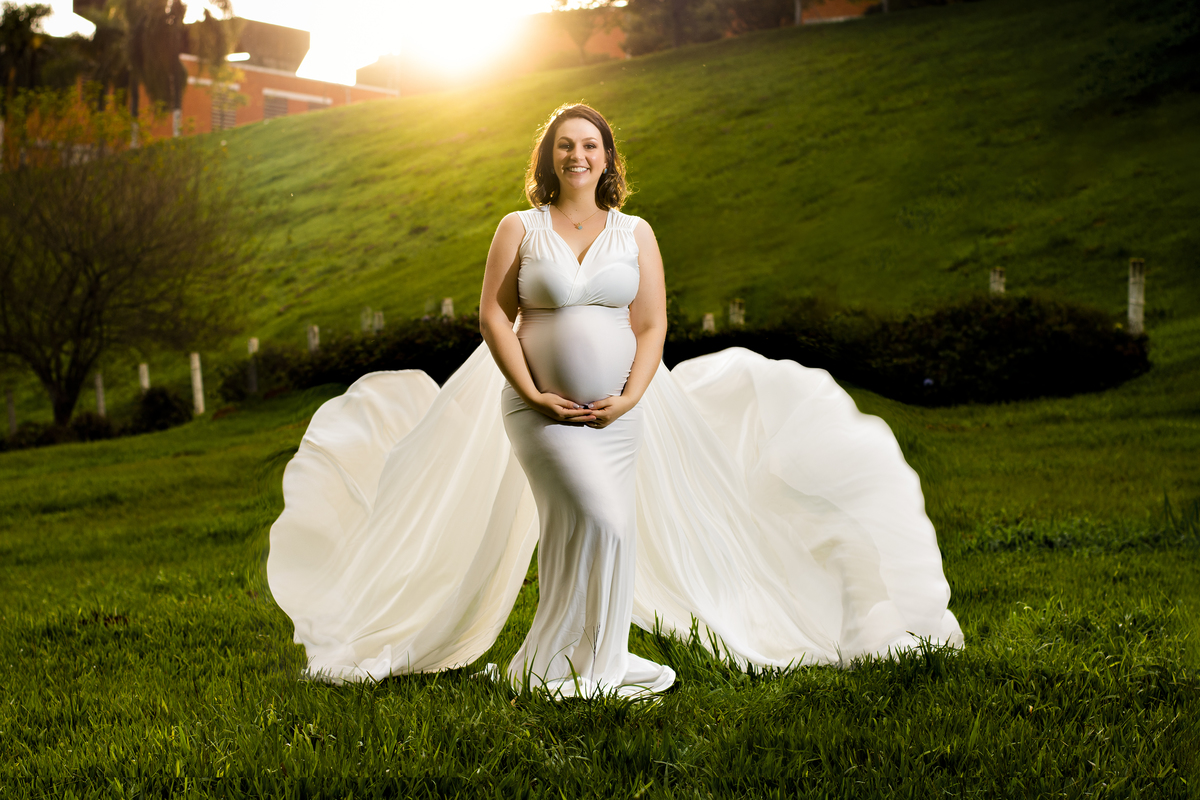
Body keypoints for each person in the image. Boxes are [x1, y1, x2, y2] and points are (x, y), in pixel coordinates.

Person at [266, 104, 963, 698]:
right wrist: (533, 392)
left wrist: (630, 398)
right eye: (565, 145)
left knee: (589, 530)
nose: (578, 156)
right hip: (538, 413)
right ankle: (582, 663)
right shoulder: (520, 228)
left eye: (590, 146)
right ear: (548, 157)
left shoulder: (635, 233)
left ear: (607, 159)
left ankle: (562, 659)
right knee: (599, 521)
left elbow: (651, 324)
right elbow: (492, 316)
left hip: (619, 417)